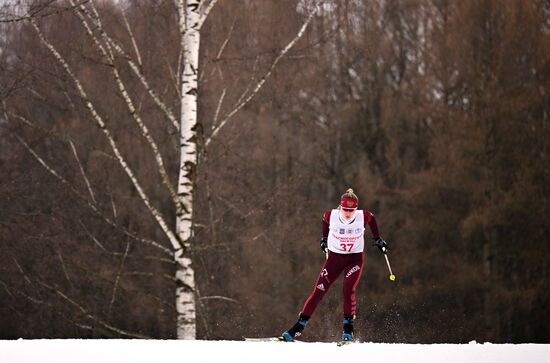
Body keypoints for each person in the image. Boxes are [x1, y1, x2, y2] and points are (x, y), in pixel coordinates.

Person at [278, 188, 388, 342]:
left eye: (351, 210)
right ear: (340, 207)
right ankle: (298, 327)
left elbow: (373, 219)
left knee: (348, 289)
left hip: (354, 260)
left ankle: (348, 331)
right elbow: (324, 220)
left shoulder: (363, 216)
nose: (348, 213)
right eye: (345, 209)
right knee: (318, 291)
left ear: (356, 209)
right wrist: (324, 238)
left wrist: (377, 238)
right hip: (334, 260)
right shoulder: (332, 215)